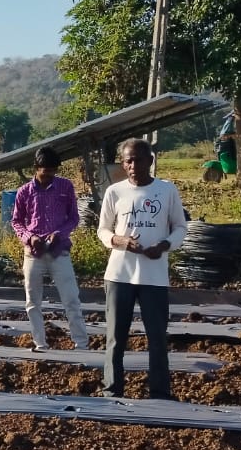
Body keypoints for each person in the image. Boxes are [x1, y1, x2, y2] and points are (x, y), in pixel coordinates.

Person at [97, 138, 187, 399]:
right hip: (119, 275)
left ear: (150, 161)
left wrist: (165, 245)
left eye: (138, 159)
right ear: (123, 164)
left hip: (154, 277)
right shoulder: (115, 192)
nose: (133, 165)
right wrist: (120, 241)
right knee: (115, 338)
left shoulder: (167, 191)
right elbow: (103, 230)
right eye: (128, 160)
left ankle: (159, 392)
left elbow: (180, 227)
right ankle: (112, 390)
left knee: (157, 338)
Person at [11, 145, 89, 351]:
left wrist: (60, 234)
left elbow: (73, 217)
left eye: (52, 171)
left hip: (59, 250)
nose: (49, 176)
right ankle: (40, 343)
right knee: (33, 302)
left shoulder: (65, 187)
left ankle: (81, 344)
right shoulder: (24, 192)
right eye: (45, 172)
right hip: (34, 253)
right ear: (36, 168)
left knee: (71, 299)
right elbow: (17, 222)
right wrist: (30, 237)